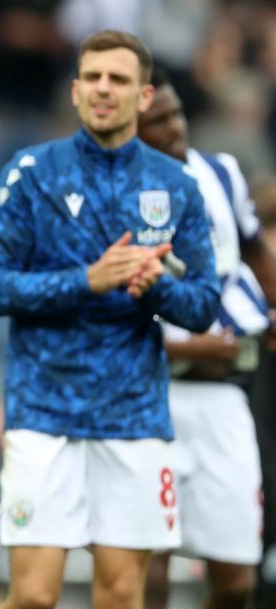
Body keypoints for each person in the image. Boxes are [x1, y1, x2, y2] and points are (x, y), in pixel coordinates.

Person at [0, 30, 220, 609]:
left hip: (133, 416)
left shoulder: (176, 186)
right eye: (93, 77)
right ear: (76, 89)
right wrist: (88, 280)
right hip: (43, 412)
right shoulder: (32, 171)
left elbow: (205, 305)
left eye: (118, 79)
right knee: (33, 598)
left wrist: (156, 288)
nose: (103, 89)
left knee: (120, 598)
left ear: (143, 96)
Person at [137, 68, 276, 609]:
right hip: (151, 397)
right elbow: (98, 320)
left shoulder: (222, 173)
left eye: (176, 115)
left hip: (225, 394)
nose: (175, 129)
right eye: (157, 121)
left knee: (238, 574)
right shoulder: (113, 191)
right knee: (149, 564)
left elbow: (254, 246)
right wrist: (190, 347)